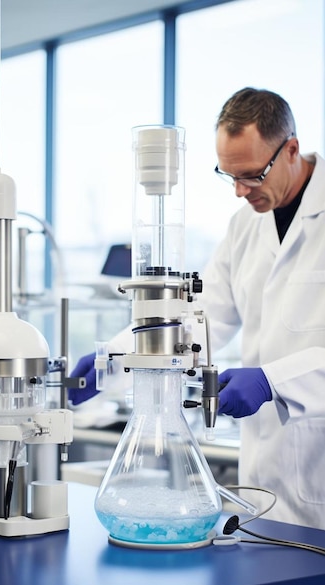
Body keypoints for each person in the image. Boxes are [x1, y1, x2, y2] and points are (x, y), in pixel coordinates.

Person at [68, 87, 325, 531]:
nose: (240, 192)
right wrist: (114, 358)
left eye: (251, 175)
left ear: (292, 150)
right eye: (229, 177)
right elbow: (202, 318)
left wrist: (274, 380)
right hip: (264, 478)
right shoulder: (245, 224)